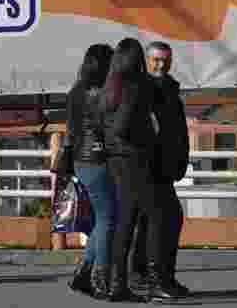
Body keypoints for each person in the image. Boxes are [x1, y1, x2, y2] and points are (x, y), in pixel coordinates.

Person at [130, 41, 191, 300]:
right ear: (145, 60)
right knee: (164, 219)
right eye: (155, 60)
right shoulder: (142, 89)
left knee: (153, 221)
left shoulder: (169, 89)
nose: (160, 65)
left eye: (165, 60)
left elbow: (176, 131)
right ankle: (156, 279)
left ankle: (152, 276)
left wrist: (179, 160)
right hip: (148, 166)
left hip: (164, 167)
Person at [55, 44, 116, 299]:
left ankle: (83, 272)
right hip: (100, 159)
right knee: (108, 219)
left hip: (80, 161)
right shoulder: (104, 93)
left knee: (100, 220)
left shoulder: (76, 91)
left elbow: (70, 132)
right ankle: (99, 278)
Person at [102, 37, 158, 301]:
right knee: (130, 221)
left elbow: (109, 126)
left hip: (114, 159)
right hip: (132, 160)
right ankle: (120, 284)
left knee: (120, 222)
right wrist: (147, 135)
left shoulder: (110, 86)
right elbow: (124, 126)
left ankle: (114, 280)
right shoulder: (134, 86)